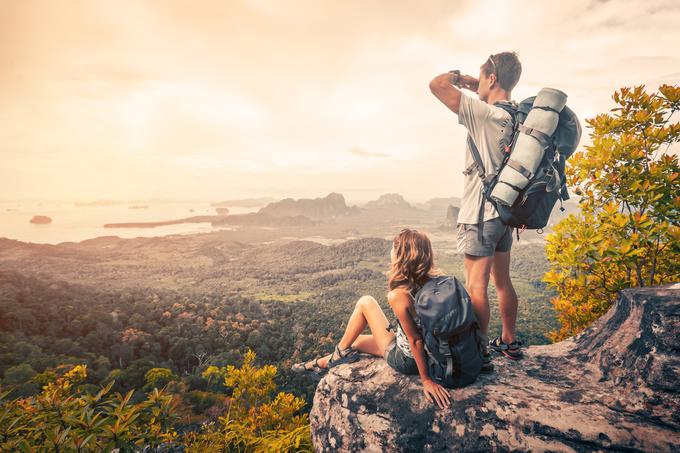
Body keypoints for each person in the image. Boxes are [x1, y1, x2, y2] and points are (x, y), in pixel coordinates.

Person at [428, 52, 524, 369]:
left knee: (476, 285)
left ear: (491, 79)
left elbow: (437, 84)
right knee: (502, 282)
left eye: (482, 78)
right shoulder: (516, 118)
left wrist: (464, 80)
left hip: (481, 215)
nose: (476, 84)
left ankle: (480, 353)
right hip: (504, 213)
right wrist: (479, 82)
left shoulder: (485, 114)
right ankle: (509, 341)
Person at [291, 228, 451, 410]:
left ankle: (334, 357)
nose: (390, 252)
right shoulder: (436, 282)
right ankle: (320, 363)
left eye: (393, 249)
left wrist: (426, 380)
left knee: (365, 302)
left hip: (407, 359)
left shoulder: (399, 294)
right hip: (431, 352)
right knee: (356, 340)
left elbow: (415, 340)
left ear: (401, 256)